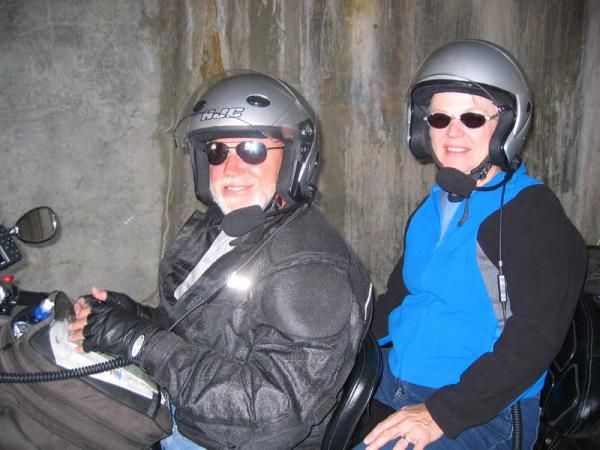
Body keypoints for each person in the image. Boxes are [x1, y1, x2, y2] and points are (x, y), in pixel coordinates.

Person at [68, 71, 372, 449]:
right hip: (183, 412)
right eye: (217, 151)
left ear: (294, 158)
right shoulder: (227, 227)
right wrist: (133, 318)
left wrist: (139, 341)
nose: (230, 169)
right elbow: (203, 330)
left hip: (220, 439)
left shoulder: (309, 270)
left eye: (253, 150)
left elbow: (271, 412)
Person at [358, 40, 587, 450]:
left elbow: (533, 340)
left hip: (482, 412)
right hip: (401, 384)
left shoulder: (530, 214)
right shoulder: (431, 208)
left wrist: (439, 414)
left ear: (506, 125)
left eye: (472, 118)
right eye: (440, 117)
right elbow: (400, 298)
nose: (453, 132)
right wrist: (340, 344)